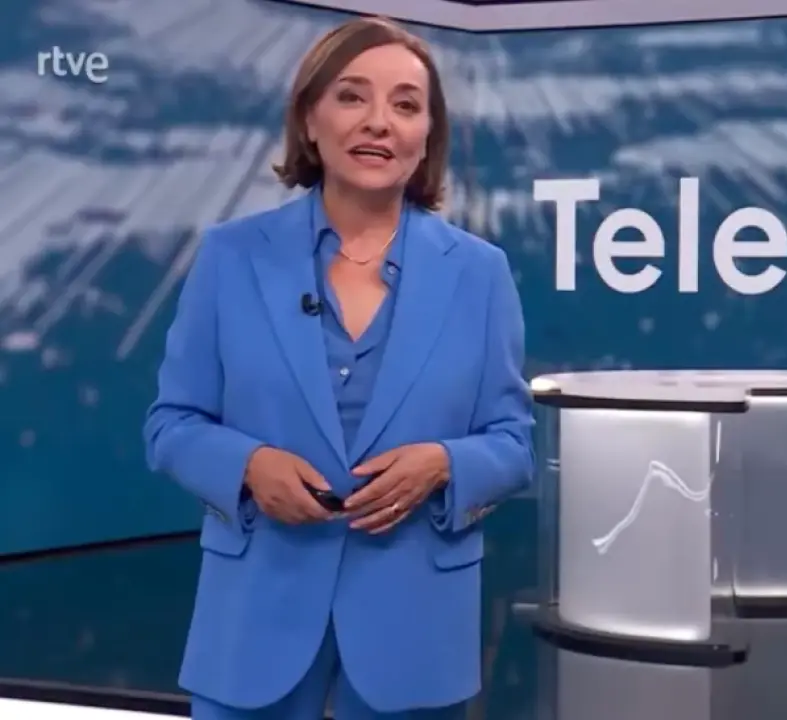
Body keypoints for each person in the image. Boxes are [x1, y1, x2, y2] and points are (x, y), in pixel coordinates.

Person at [142, 16, 533, 720]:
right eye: (352, 96)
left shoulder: (480, 274)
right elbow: (171, 424)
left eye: (406, 105)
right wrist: (248, 465)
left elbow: (512, 444)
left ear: (427, 138)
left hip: (414, 627)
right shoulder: (233, 257)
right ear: (309, 119)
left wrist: (444, 464)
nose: (379, 121)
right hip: (255, 622)